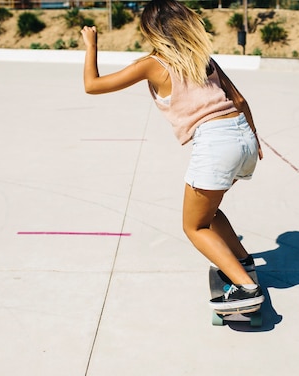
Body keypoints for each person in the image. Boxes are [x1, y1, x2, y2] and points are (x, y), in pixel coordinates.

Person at [80, 0, 264, 309]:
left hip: (216, 143)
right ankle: (242, 263)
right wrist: (254, 140)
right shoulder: (203, 59)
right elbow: (240, 99)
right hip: (242, 135)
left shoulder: (154, 63)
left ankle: (247, 290)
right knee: (209, 213)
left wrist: (91, 45)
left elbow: (92, 85)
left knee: (194, 226)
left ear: (151, 31)